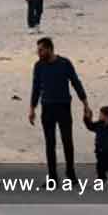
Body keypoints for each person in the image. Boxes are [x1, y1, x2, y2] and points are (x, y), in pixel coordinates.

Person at [29, 37, 90, 183]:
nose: (38, 53)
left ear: (50, 49)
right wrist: (32, 108)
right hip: (47, 107)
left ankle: (70, 172)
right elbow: (36, 88)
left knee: (67, 141)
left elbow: (76, 82)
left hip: (63, 106)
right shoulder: (38, 66)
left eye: (41, 50)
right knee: (50, 143)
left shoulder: (64, 63)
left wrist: (85, 104)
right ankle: (52, 176)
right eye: (38, 50)